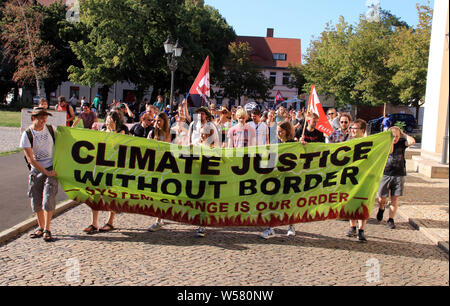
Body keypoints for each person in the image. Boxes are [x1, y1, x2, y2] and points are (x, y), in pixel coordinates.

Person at [83, 111, 126, 235]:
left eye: (110, 121)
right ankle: (94, 223)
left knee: (111, 195)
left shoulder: (121, 132)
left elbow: (117, 147)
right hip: (100, 168)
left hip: (113, 169)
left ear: (115, 122)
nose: (108, 123)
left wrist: (113, 131)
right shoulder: (102, 132)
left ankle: (110, 221)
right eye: (107, 120)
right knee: (95, 194)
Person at [20, 107, 58, 242]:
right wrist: (44, 171)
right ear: (33, 118)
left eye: (45, 117)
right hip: (37, 169)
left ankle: (47, 229)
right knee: (36, 200)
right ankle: (41, 227)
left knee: (48, 198)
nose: (43, 120)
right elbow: (30, 159)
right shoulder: (27, 134)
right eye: (40, 117)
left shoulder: (50, 129)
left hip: (51, 168)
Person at [260, 121, 297, 239]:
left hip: (290, 177)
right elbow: (270, 161)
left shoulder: (294, 144)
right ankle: (271, 227)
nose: (279, 133)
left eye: (281, 131)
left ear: (287, 132)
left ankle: (291, 226)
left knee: (289, 202)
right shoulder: (274, 143)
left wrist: (304, 145)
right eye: (277, 131)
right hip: (276, 177)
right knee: (273, 202)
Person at [376, 126, 416, 229]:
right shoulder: (384, 145)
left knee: (395, 198)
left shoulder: (401, 143)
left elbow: (412, 141)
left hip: (399, 174)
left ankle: (391, 219)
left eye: (397, 136)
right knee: (382, 198)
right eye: (393, 136)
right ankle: (381, 208)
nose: (395, 138)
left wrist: (403, 135)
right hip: (385, 174)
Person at [147, 113, 172, 233]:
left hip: (168, 167)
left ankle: (159, 218)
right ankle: (160, 217)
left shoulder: (171, 133)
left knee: (164, 193)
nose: (157, 123)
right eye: (155, 121)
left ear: (164, 121)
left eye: (159, 121)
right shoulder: (152, 133)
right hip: (155, 166)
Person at [345, 119, 369, 242]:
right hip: (350, 177)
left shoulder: (369, 143)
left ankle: (361, 230)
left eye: (355, 128)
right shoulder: (347, 142)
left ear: (362, 131)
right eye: (351, 128)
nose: (352, 131)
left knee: (362, 203)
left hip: (364, 178)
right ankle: (352, 226)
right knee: (351, 203)